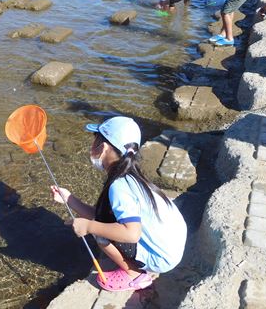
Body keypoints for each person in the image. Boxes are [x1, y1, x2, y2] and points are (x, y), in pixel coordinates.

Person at [50, 117, 187, 292]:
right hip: (172, 247)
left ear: (104, 147)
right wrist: (69, 199)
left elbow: (131, 234)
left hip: (163, 258)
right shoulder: (131, 176)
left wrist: (89, 227)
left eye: (95, 140)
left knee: (100, 235)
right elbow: (103, 217)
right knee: (103, 224)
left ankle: (135, 274)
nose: (93, 145)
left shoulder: (119, 187)